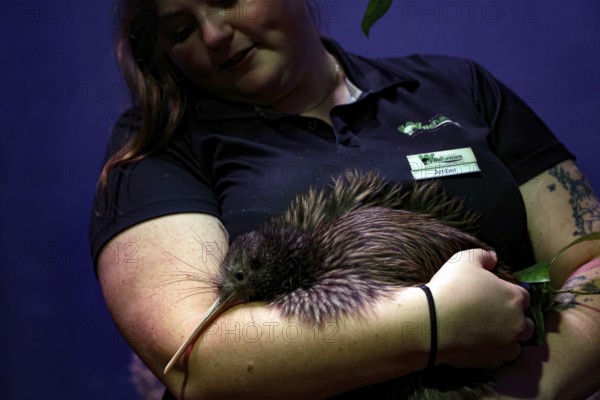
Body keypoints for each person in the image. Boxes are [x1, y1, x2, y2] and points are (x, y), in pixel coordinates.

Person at [89, 0, 600, 398]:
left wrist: (538, 385)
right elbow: (194, 363)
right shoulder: (157, 143)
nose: (214, 34)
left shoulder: (456, 86)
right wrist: (435, 322)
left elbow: (589, 258)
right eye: (179, 31)